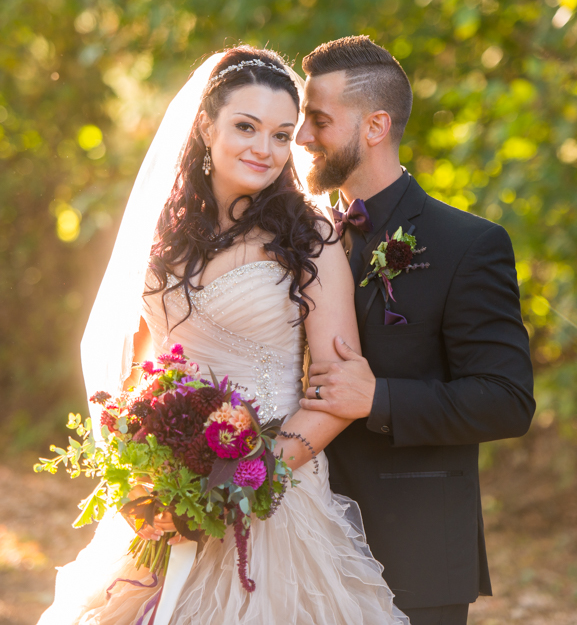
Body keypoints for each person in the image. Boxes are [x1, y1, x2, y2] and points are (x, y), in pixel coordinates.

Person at [37, 46, 408, 624]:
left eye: (282, 134)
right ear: (206, 126)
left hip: (274, 502)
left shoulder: (312, 237)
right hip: (169, 495)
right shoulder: (162, 232)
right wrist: (143, 471)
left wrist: (249, 479)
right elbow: (139, 372)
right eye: (246, 126)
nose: (264, 148)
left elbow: (338, 390)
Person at [296, 36, 536, 625]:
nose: (301, 137)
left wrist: (376, 399)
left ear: (375, 125)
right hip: (299, 538)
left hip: (414, 553)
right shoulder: (294, 241)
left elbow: (507, 401)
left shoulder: (469, 245)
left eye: (318, 120)